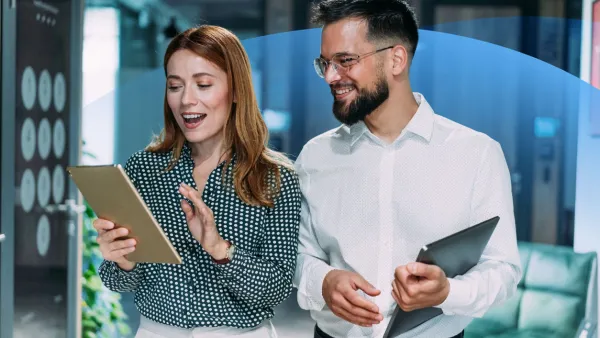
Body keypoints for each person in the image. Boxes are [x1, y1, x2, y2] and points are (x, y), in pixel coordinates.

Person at [292, 1, 522, 337]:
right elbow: (297, 253)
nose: (331, 76)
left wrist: (447, 293)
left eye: (345, 61)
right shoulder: (315, 156)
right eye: (324, 64)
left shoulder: (477, 154)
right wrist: (323, 280)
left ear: (396, 59)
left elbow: (503, 269)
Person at [93, 25, 302, 338]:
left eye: (203, 85)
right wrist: (121, 260)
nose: (186, 100)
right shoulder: (144, 170)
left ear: (235, 91)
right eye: (175, 86)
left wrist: (219, 249)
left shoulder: (274, 178)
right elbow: (119, 283)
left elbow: (276, 289)